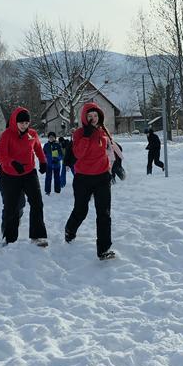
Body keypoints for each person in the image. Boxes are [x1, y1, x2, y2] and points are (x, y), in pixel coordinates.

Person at [65, 102, 122, 260]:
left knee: (104, 213)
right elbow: (78, 154)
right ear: (84, 118)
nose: (93, 119)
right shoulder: (78, 133)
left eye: (95, 115)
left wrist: (113, 166)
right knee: (81, 210)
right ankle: (70, 230)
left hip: (102, 177)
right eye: (89, 116)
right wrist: (86, 136)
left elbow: (110, 150)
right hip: (83, 178)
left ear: (99, 116)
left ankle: (103, 249)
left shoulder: (103, 131)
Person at [0, 107, 50, 247]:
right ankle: (9, 238)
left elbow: (38, 148)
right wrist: (13, 162)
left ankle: (38, 235)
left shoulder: (32, 134)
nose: (24, 126)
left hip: (29, 173)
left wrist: (43, 161)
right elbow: (0, 155)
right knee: (12, 206)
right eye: (21, 123)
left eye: (26, 123)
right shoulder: (7, 135)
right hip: (10, 175)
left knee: (37, 203)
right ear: (15, 121)